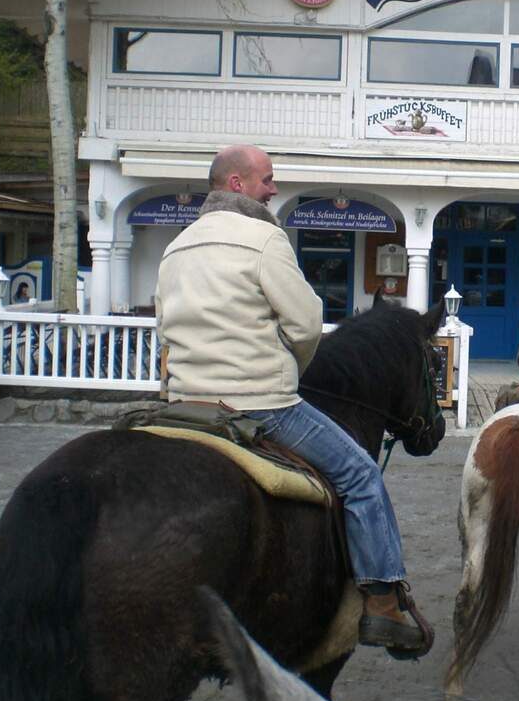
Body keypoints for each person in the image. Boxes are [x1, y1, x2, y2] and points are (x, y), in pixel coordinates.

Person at [156, 144, 431, 658]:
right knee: (361, 475)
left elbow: (164, 327)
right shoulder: (264, 238)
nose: (274, 189)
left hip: (185, 402)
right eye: (267, 179)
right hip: (259, 402)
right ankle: (382, 603)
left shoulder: (177, 246)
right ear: (236, 184)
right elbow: (305, 324)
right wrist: (291, 371)